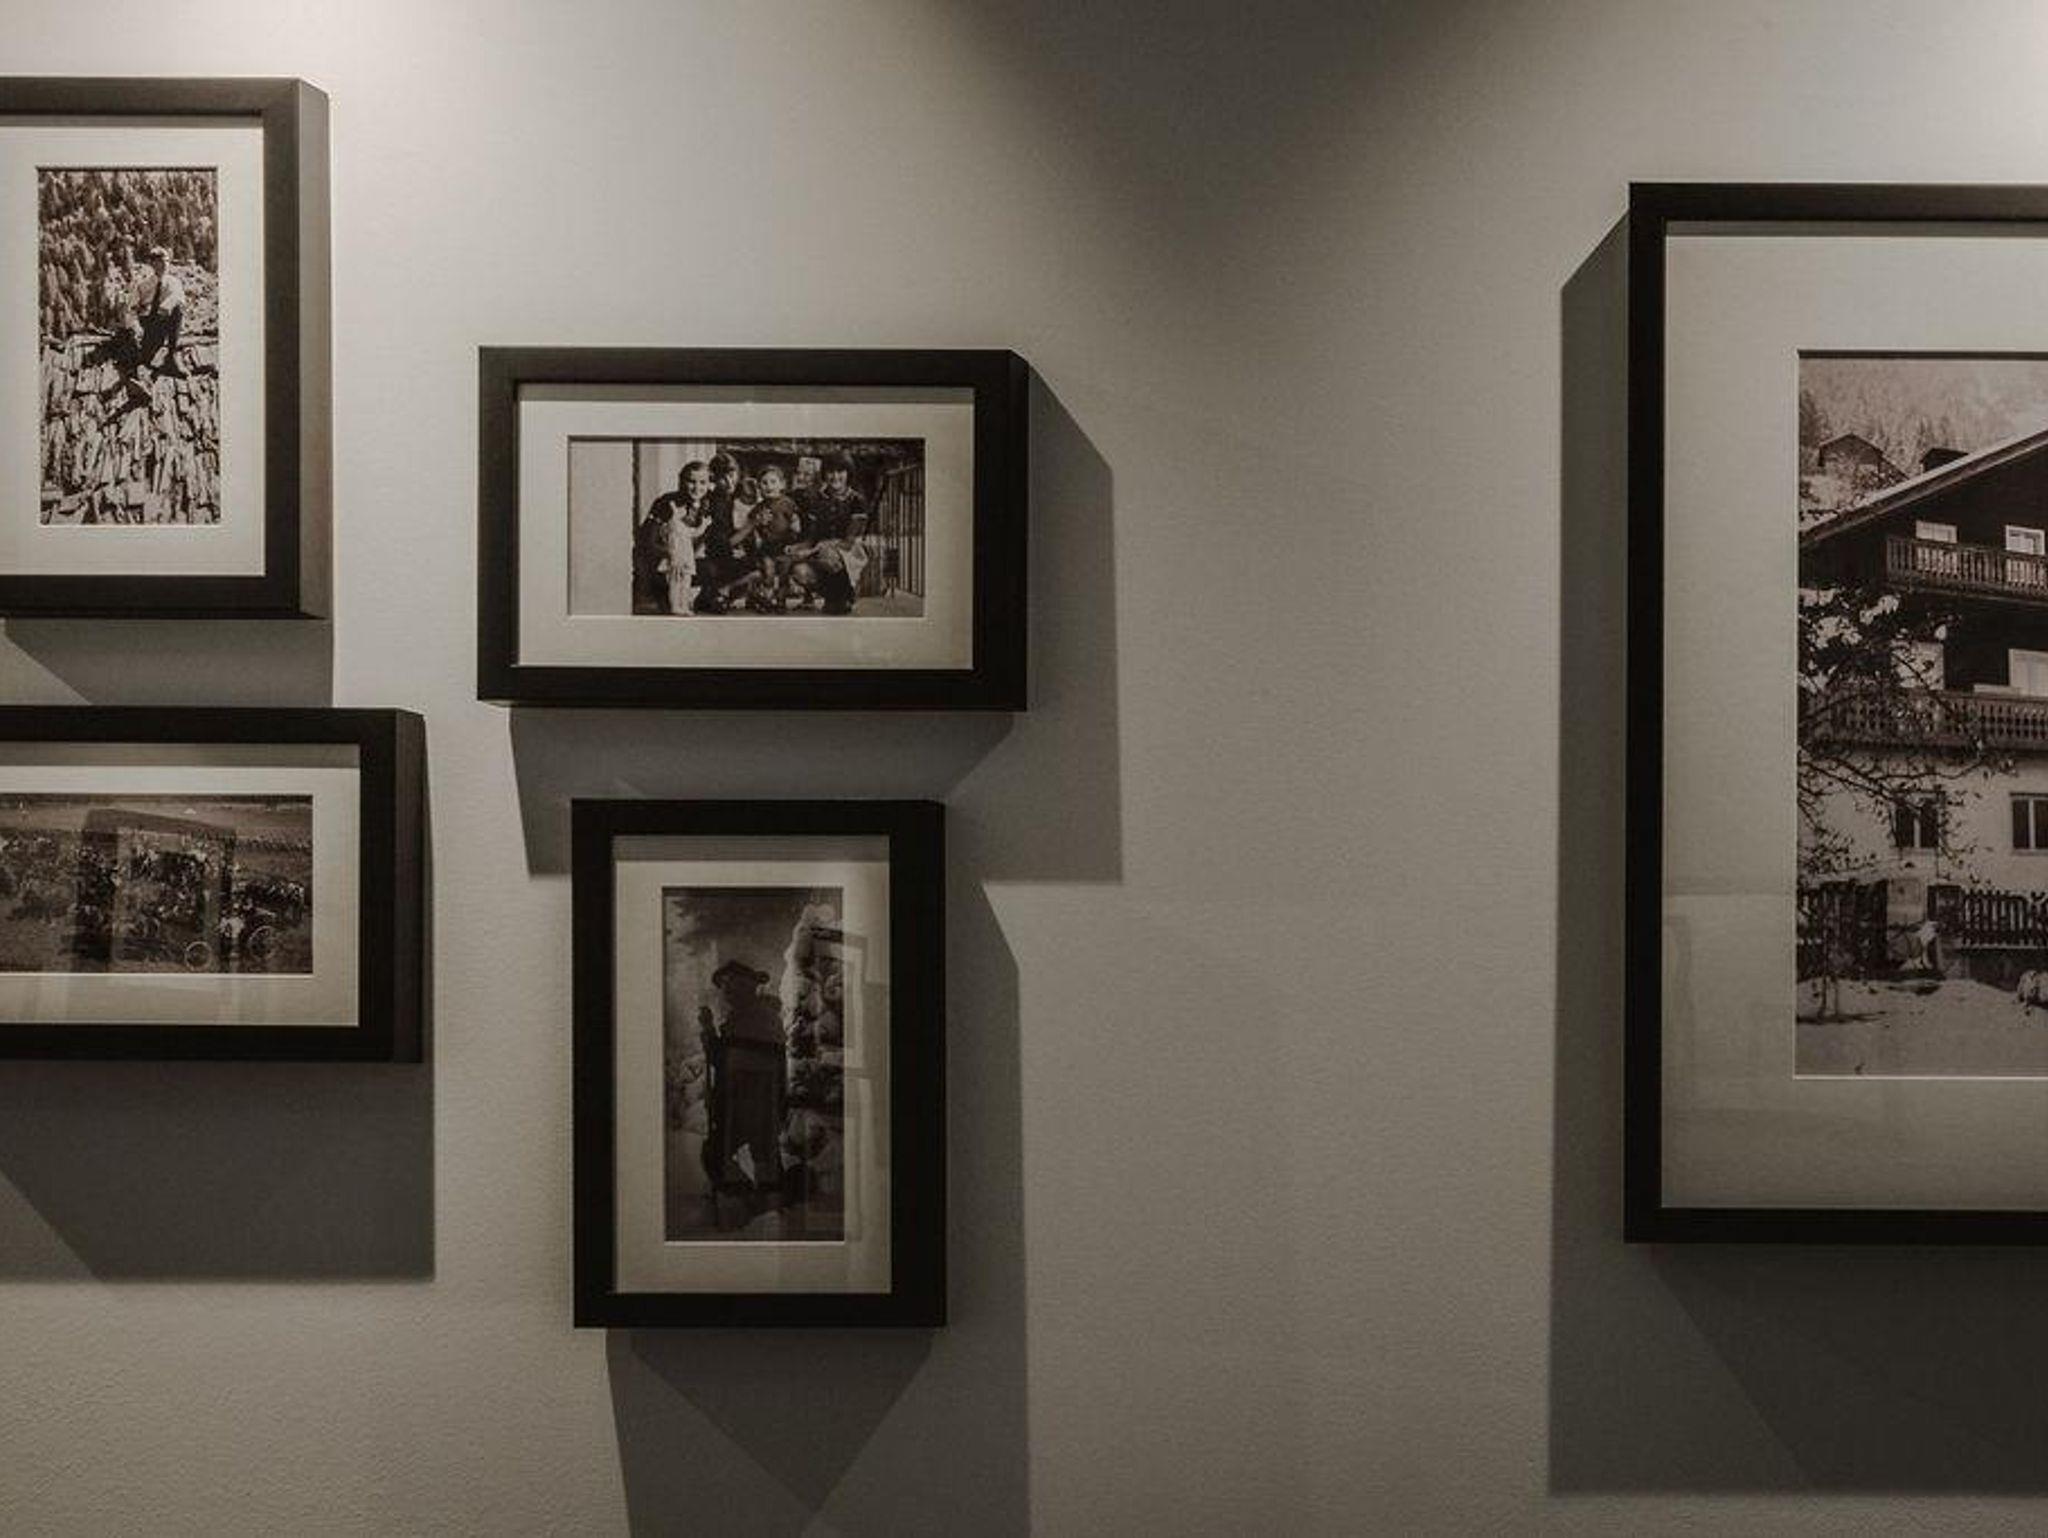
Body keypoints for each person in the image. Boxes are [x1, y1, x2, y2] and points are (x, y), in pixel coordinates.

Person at [701, 958, 788, 1222]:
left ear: (749, 986)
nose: (728, 991)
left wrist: (712, 1036)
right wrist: (709, 1031)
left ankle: (765, 1210)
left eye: (734, 984)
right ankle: (757, 1203)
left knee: (754, 1160)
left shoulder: (761, 1018)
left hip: (754, 1104)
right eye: (725, 986)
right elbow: (723, 1058)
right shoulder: (741, 1018)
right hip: (742, 1104)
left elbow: (731, 1060)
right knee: (723, 1154)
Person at [634, 462, 714, 614]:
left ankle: (688, 599)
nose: (697, 487)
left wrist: (686, 557)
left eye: (703, 482)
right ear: (682, 481)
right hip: (661, 558)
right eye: (691, 481)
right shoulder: (668, 502)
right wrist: (671, 554)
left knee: (709, 569)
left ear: (709, 483)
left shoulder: (707, 505)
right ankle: (661, 595)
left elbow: (698, 539)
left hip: (684, 558)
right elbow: (647, 541)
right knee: (669, 599)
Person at [133, 245, 185, 376]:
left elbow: (177, 296)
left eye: (166, 261)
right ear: (152, 264)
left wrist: (166, 306)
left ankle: (171, 357)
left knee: (178, 309)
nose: (164, 265)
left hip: (166, 319)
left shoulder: (174, 282)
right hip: (149, 322)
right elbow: (132, 306)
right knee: (144, 358)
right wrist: (136, 325)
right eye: (159, 261)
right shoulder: (144, 284)